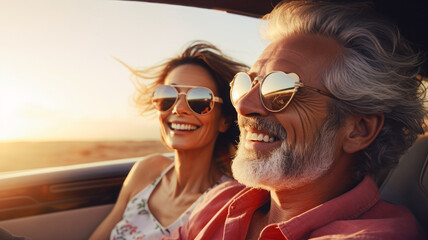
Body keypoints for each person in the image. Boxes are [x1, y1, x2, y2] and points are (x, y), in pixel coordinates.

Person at [162, 1, 427, 239]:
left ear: (358, 129)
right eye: (246, 85)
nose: (243, 106)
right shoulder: (221, 201)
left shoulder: (376, 235)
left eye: (280, 89)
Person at [89, 41, 249, 240]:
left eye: (199, 100)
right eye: (168, 95)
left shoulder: (228, 202)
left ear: (224, 121)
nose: (178, 108)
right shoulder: (146, 171)